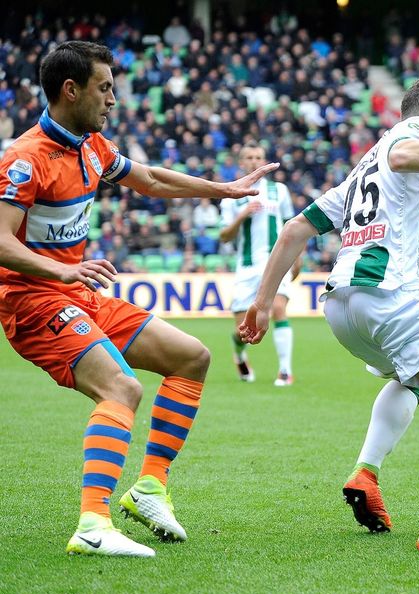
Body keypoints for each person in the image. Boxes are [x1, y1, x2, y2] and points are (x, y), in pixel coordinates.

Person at [0, 41, 277, 557]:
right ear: (70, 89)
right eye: (104, 88)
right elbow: (1, 242)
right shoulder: (23, 159)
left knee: (191, 357)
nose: (113, 99)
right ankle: (92, 524)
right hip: (34, 303)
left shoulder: (92, 147)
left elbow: (148, 179)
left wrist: (224, 189)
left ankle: (148, 488)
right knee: (121, 390)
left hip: (76, 293)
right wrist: (64, 268)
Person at [239, 76, 419, 550]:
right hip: (392, 297)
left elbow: (295, 229)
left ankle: (366, 472)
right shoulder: (413, 135)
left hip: (343, 307)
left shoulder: (364, 167)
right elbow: (406, 154)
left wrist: (262, 303)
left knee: (414, 378)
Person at [219, 142, 298, 386]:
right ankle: (239, 354)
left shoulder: (279, 191)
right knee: (244, 330)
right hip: (247, 266)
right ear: (241, 163)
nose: (254, 161)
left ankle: (285, 371)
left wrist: (297, 258)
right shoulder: (231, 195)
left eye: (259, 157)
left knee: (278, 310)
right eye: (249, 157)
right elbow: (224, 236)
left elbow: (293, 226)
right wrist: (243, 215)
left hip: (275, 262)